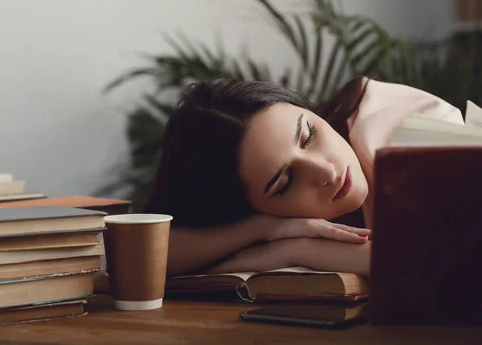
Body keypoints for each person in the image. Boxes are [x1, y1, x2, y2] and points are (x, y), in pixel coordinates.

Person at [144, 76, 464, 278]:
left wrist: (296, 251)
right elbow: (139, 258)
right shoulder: (268, 218)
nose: (325, 171)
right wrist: (264, 228)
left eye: (309, 136)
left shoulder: (400, 123)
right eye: (284, 183)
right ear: (254, 206)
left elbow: (453, 258)